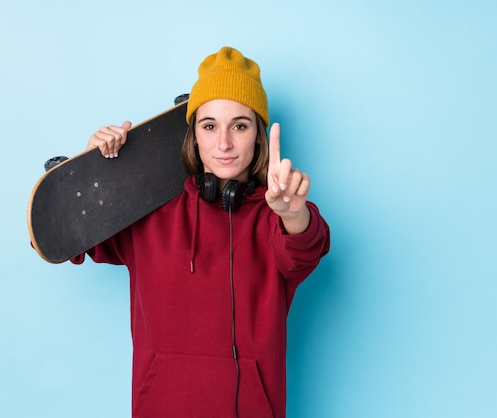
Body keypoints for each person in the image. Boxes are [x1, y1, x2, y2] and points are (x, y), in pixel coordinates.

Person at [71, 46, 330, 418]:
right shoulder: (148, 214)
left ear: (258, 134)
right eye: (210, 126)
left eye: (240, 125)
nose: (224, 143)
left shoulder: (276, 219)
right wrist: (96, 175)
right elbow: (66, 237)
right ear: (194, 134)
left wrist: (293, 212)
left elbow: (307, 247)